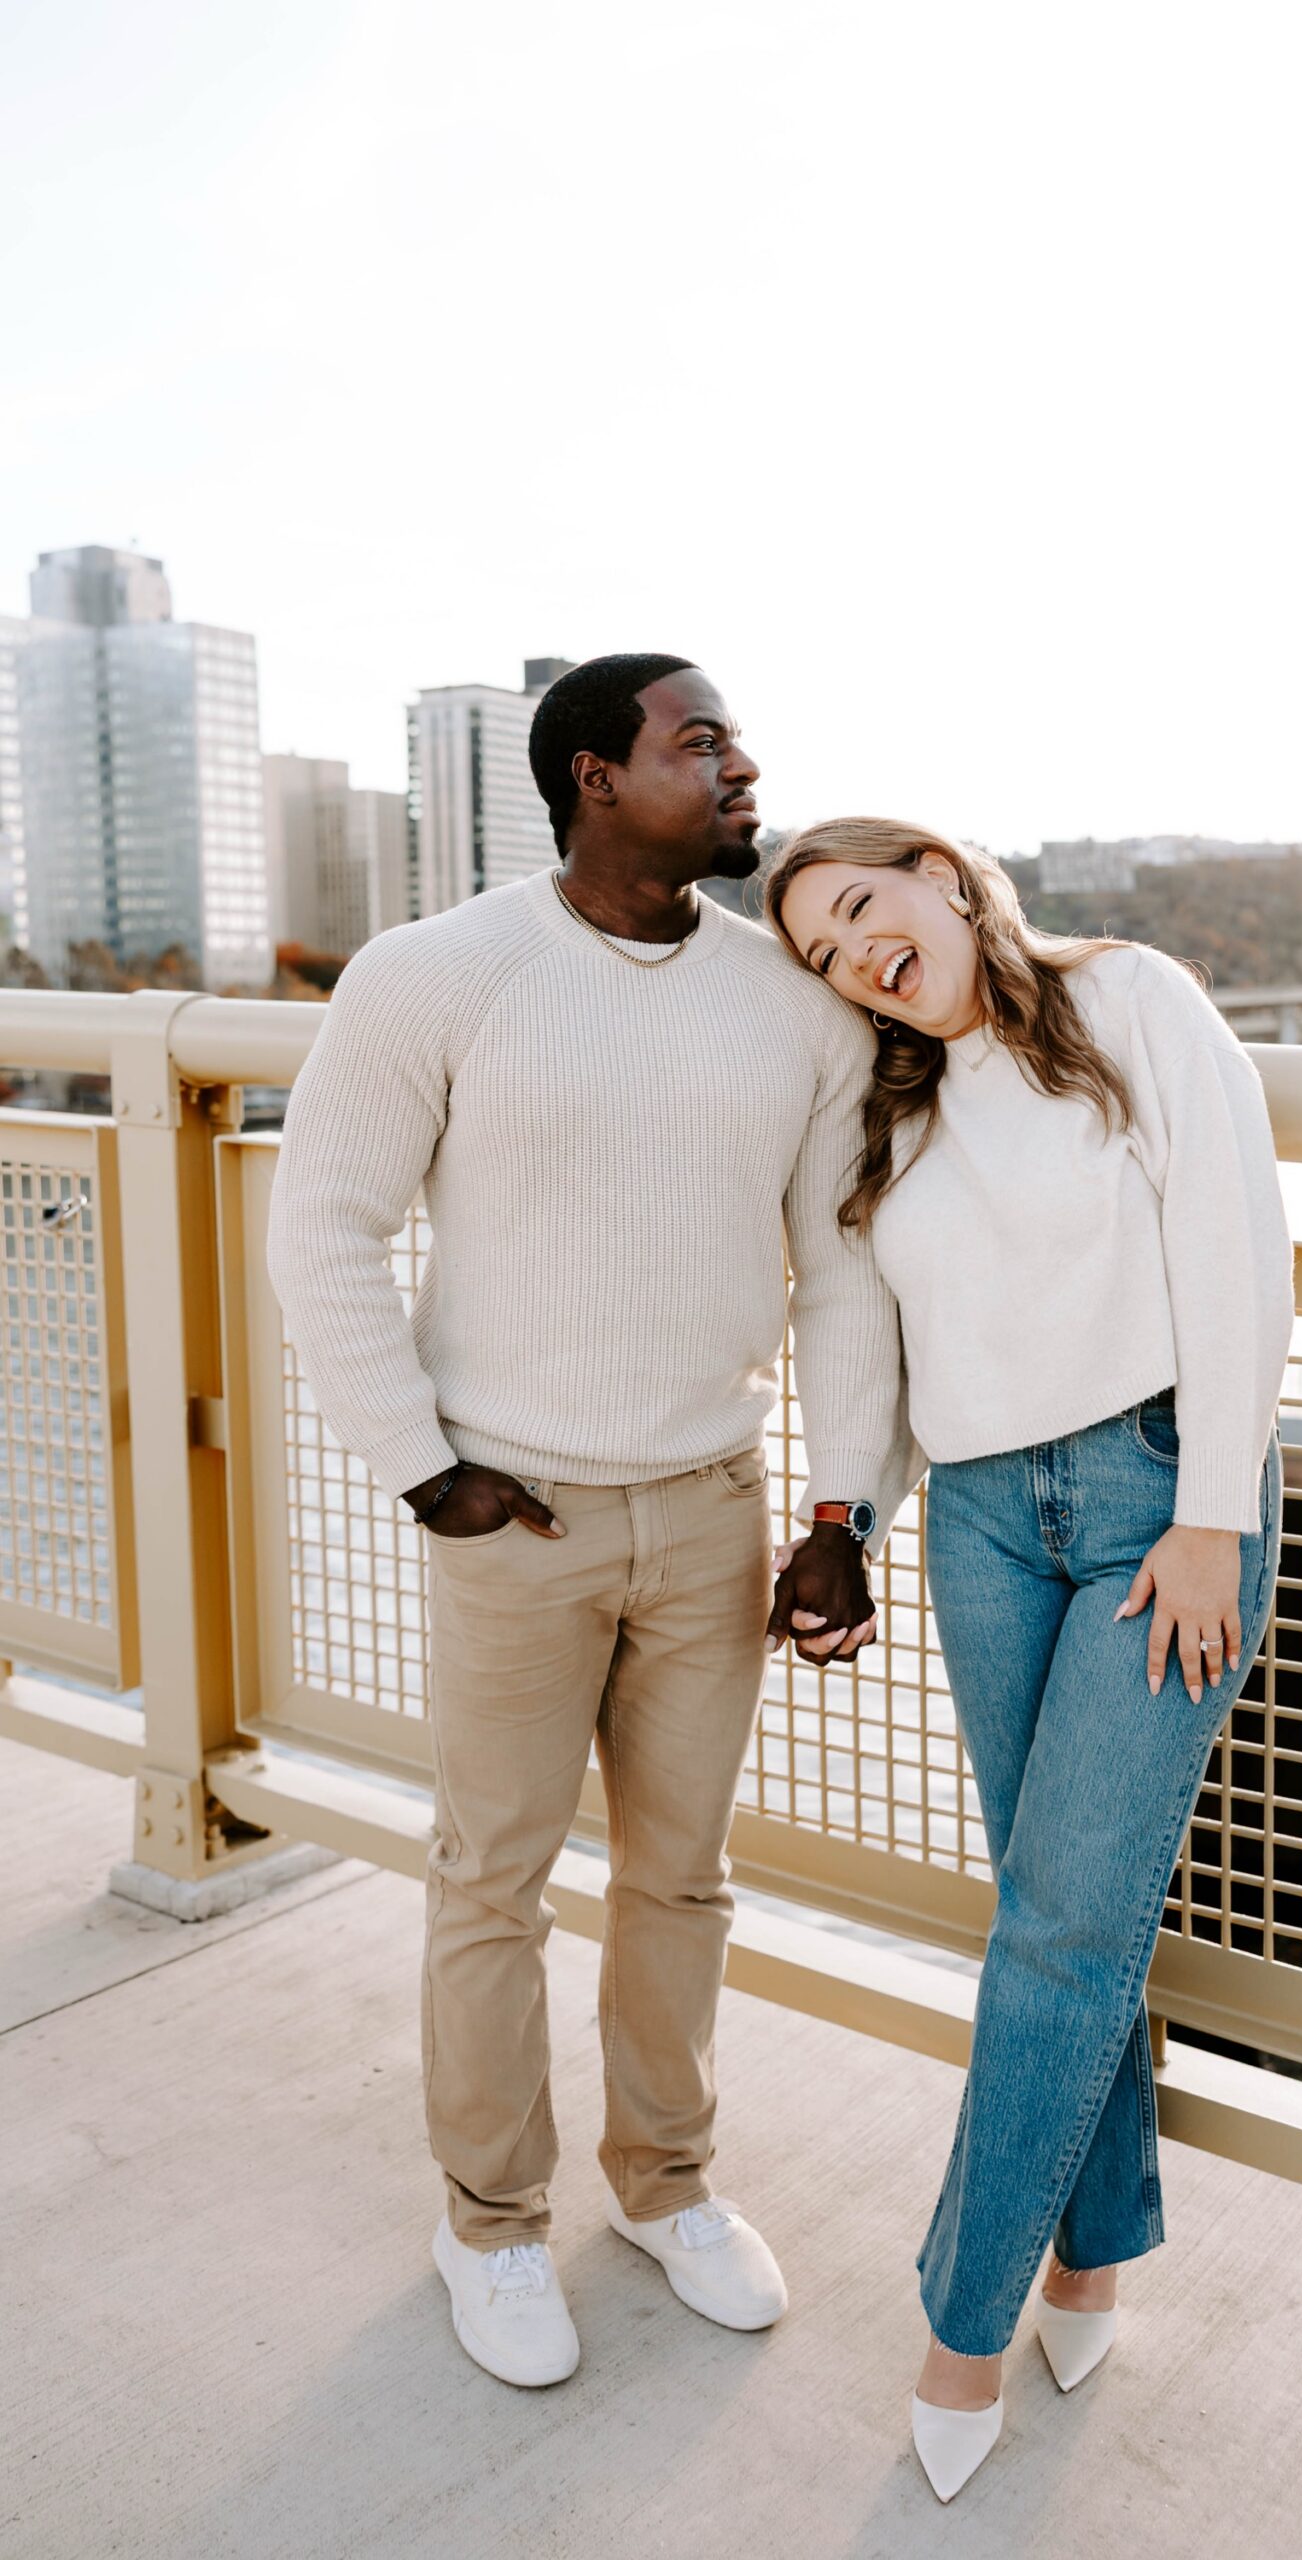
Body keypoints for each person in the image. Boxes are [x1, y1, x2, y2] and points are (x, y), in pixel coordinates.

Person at [267, 657, 912, 2392]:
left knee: (682, 1881)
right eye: (699, 742)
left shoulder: (795, 999)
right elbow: (320, 1227)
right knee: (491, 1881)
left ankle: (667, 2186)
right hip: (513, 1518)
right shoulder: (438, 975)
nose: (741, 764)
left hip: (717, 1509)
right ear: (592, 776)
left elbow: (842, 1273)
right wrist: (423, 1466)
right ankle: (488, 2222)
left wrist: (845, 1509)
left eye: (734, 738)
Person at [766, 817, 1292, 2501]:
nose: (858, 959)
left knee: (1064, 1922)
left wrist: (1214, 1512)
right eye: (825, 955)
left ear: (937, 868)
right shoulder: (892, 1107)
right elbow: (865, 1326)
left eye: (860, 911)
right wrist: (842, 1512)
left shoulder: (1134, 1001)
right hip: (984, 1522)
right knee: (1062, 1911)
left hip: (1160, 1512)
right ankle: (1090, 2256)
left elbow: (1234, 1240)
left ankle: (960, 2329)